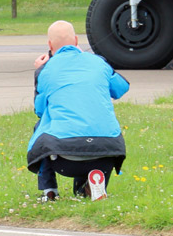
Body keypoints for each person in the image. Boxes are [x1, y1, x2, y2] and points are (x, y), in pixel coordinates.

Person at [27, 20, 129, 202]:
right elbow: (121, 88)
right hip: (107, 151)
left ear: (50, 45)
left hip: (64, 158)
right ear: (76, 41)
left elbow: (40, 110)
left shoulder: (46, 70)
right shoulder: (98, 63)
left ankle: (49, 190)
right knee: (91, 129)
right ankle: (90, 184)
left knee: (41, 126)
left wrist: (40, 70)